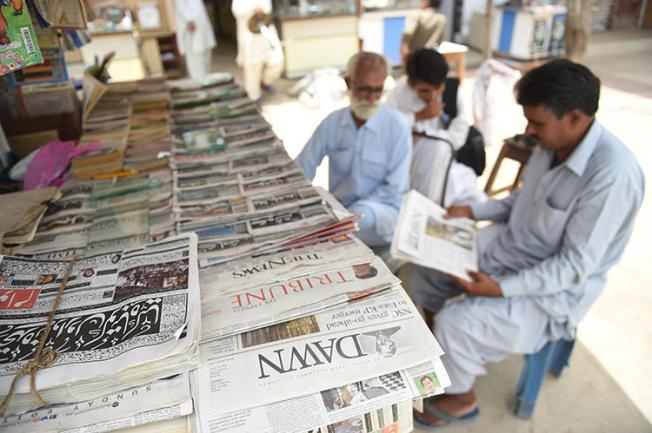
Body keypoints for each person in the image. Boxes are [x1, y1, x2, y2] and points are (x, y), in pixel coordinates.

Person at [411, 59, 644, 428]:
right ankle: (448, 357)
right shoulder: (550, 143)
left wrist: (500, 289)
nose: (528, 131)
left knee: (459, 323)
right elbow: (519, 201)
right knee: (424, 270)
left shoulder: (611, 176)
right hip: (510, 246)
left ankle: (461, 397)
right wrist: (470, 210)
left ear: (575, 117)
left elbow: (572, 267)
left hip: (554, 290)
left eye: (537, 123)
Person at [295, 52, 411, 248]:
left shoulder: (397, 126)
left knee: (358, 220)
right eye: (364, 89)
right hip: (339, 211)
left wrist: (349, 215)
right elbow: (303, 168)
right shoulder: (333, 123)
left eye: (378, 90)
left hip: (381, 213)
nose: (371, 98)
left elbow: (394, 189)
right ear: (349, 83)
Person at [386, 48, 485, 206]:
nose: (431, 96)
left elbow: (458, 136)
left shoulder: (452, 92)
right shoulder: (400, 91)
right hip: (406, 164)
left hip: (444, 165)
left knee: (477, 200)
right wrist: (419, 116)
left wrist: (430, 138)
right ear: (411, 83)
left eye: (437, 89)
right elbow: (387, 128)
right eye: (424, 91)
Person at [231, 0, 283, 102]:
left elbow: (268, 8)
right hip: (249, 36)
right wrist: (252, 10)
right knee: (252, 67)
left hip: (266, 33)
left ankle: (264, 81)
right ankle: (254, 96)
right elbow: (236, 10)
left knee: (277, 61)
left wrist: (261, 9)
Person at [173, 0, 216, 80]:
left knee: (205, 54)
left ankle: (207, 79)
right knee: (195, 56)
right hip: (192, 25)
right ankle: (199, 80)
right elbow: (181, 7)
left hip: (200, 22)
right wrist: (189, 20)